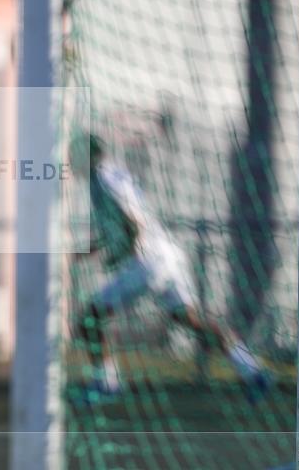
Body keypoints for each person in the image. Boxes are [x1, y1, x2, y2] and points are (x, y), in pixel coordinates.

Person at [73, 134, 269, 403]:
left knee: (90, 318)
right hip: (168, 256)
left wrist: (121, 253)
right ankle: (253, 371)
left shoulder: (103, 178)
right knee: (192, 320)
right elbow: (119, 226)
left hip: (147, 261)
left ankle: (106, 383)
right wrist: (86, 252)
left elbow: (132, 222)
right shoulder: (114, 174)